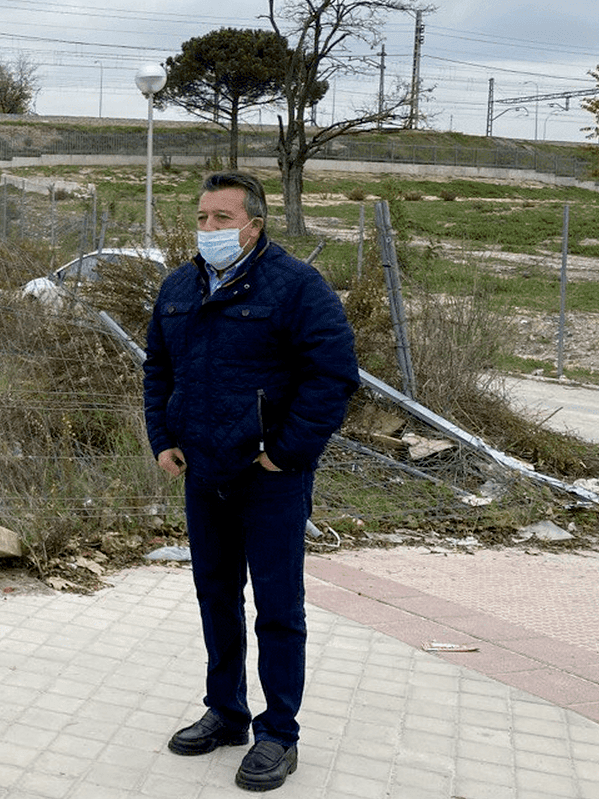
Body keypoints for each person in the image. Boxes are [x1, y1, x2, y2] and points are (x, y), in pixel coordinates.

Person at [142, 171, 359, 792]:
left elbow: (333, 376)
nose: (207, 228)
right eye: (202, 216)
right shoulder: (180, 285)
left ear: (254, 226)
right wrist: (164, 439)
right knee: (215, 595)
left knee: (278, 608)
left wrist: (285, 454)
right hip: (201, 471)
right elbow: (159, 367)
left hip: (269, 478)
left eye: (221, 218)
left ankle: (278, 734)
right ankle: (227, 713)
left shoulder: (296, 287)